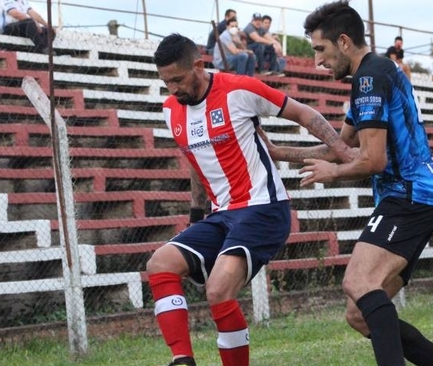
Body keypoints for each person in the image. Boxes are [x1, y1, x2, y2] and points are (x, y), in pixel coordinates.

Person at [260, 2, 433, 365]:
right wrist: (279, 152)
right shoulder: (371, 75)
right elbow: (344, 148)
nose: (317, 62)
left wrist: (333, 175)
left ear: (343, 41)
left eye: (320, 50)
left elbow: (372, 162)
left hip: (408, 197)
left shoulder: (370, 78)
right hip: (418, 198)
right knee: (360, 313)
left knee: (358, 283)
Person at [150, 33, 353, 366]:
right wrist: (196, 217)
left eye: (177, 79)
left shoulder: (238, 89)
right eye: (166, 82)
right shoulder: (171, 110)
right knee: (161, 263)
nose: (172, 89)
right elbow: (196, 163)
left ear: (199, 66)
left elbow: (303, 113)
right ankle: (182, 360)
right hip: (222, 216)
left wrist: (342, 152)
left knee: (217, 291)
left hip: (263, 208)